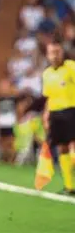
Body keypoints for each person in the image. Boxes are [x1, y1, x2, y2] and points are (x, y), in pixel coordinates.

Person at [42, 38, 75, 196]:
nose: (54, 56)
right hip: (56, 114)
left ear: (63, 52)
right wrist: (46, 115)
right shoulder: (46, 74)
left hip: (72, 111)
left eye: (57, 52)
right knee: (62, 148)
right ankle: (69, 186)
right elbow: (48, 97)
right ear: (47, 55)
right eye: (51, 53)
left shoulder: (71, 67)